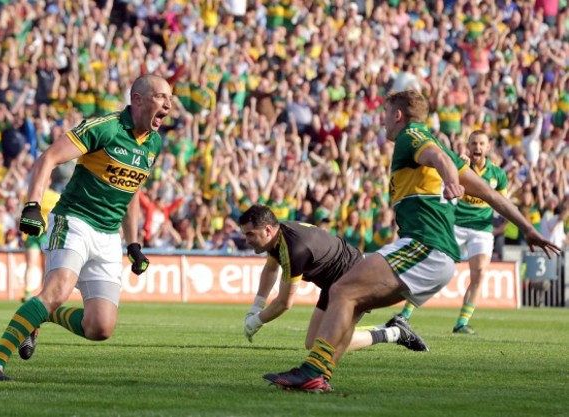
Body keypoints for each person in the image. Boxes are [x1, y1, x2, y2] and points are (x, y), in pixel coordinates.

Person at [262, 90, 561, 392]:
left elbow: (438, 157)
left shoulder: (411, 136)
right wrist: (528, 229)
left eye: (385, 114)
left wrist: (452, 181)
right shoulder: (437, 148)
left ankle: (312, 370)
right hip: (435, 255)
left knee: (341, 289)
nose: (382, 123)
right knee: (350, 301)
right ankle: (319, 374)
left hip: (425, 246)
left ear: (398, 115)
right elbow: (492, 195)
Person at [0, 74, 173, 381]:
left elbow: (132, 191)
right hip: (74, 221)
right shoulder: (105, 127)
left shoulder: (154, 143)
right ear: (137, 99)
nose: (169, 104)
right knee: (57, 290)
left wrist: (134, 243)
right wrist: (32, 205)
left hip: (109, 236)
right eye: (161, 97)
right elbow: (49, 157)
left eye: (170, 99)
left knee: (100, 327)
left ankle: (44, 314)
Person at [240, 204, 429, 359]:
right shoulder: (279, 235)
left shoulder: (294, 249)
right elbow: (271, 267)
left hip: (353, 277)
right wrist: (257, 306)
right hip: (337, 279)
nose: (246, 240)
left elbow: (284, 303)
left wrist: (256, 321)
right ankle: (392, 329)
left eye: (250, 234)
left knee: (327, 343)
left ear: (267, 230)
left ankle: (395, 332)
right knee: (312, 342)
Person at [398, 130, 508, 334]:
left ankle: (462, 323)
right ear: (468, 145)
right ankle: (405, 314)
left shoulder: (498, 175)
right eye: (474, 143)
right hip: (455, 224)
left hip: (481, 228)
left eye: (481, 143)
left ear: (488, 147)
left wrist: (506, 225)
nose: (477, 147)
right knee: (432, 267)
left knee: (480, 272)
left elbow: (501, 202)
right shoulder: (459, 165)